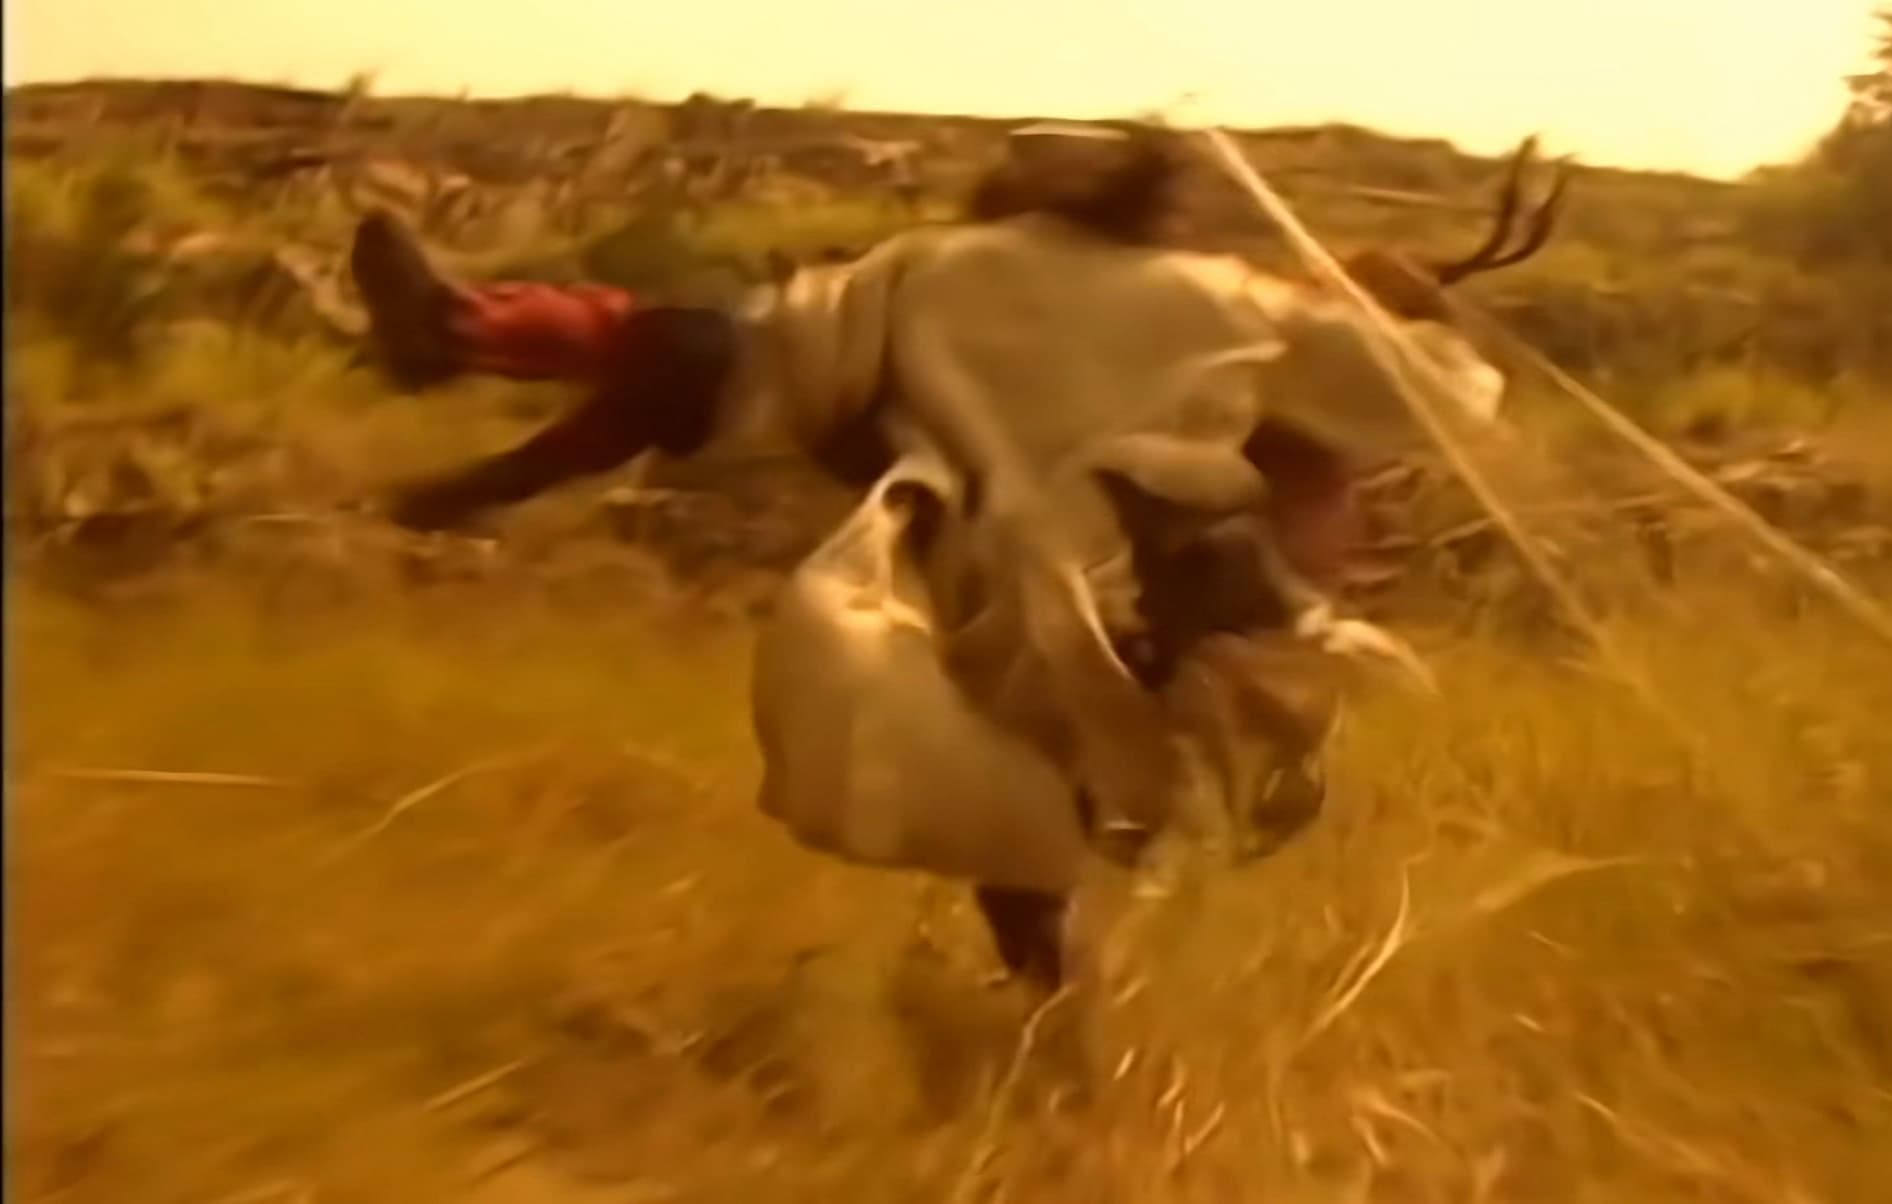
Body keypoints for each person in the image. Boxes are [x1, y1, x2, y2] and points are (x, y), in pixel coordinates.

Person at [344, 122, 1553, 993]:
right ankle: (1060, 1004)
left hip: (983, 585)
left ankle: (468, 332)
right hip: (1158, 594)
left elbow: (763, 348)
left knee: (685, 349)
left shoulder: (936, 265)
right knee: (1064, 797)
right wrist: (1417, 317)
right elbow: (1436, 397)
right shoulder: (1232, 296)